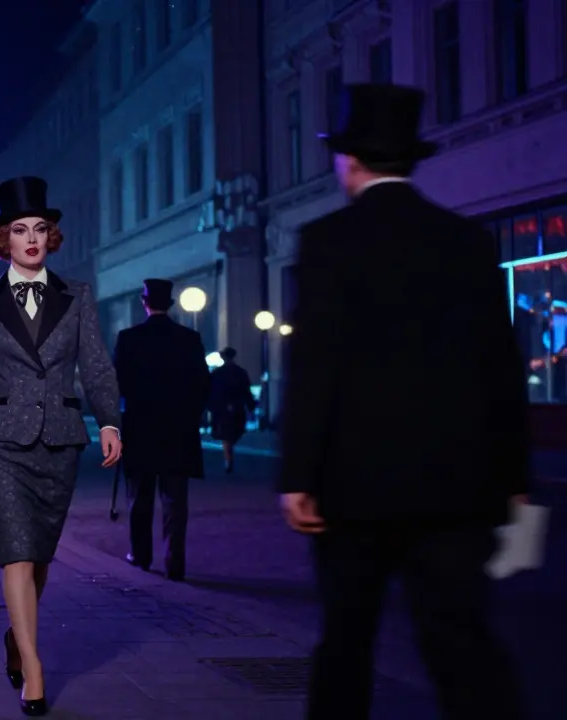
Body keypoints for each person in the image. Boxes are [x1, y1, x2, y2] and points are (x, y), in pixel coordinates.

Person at [279, 83, 529, 720]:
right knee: (460, 642)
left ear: (348, 160)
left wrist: (298, 474)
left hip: (352, 486)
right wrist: (514, 479)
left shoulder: (328, 240)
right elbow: (501, 366)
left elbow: (315, 365)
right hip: (456, 486)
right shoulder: (466, 240)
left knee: (347, 641)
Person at [0, 176, 122, 716]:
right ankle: (33, 666)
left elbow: (96, 363)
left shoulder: (78, 296)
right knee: (18, 551)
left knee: (41, 553)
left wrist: (111, 422)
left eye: (40, 229)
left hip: (62, 437)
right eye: (20, 230)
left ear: (51, 237)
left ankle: (15, 634)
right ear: (3, 240)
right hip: (0, 441)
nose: (31, 238)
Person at [113, 279, 209, 581]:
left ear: (144, 302)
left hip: (140, 427)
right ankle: (174, 561)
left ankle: (140, 555)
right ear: (171, 304)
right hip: (178, 429)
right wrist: (190, 414)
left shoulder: (129, 338)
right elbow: (202, 383)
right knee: (175, 500)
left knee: (139, 497)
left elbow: (118, 383)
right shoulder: (189, 338)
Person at [207, 346, 255, 473]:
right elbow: (246, 391)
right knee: (232, 433)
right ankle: (228, 456)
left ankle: (228, 457)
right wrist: (251, 405)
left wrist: (211, 406)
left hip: (222, 408)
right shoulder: (240, 373)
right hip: (236, 407)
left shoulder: (217, 373)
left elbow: (211, 392)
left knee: (226, 435)